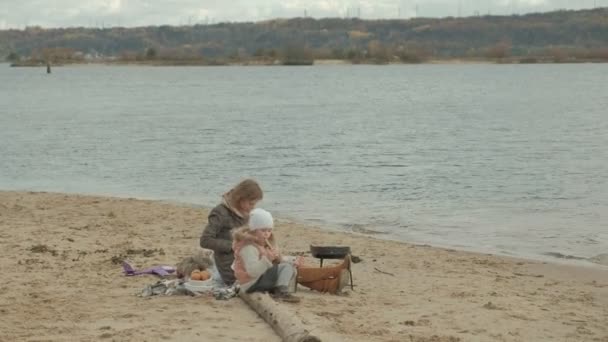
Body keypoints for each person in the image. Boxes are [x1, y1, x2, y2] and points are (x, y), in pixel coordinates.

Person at [233, 208, 351, 302]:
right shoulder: (248, 247)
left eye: (269, 230)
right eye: (263, 230)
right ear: (253, 230)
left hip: (261, 276)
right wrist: (269, 259)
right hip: (251, 282)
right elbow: (253, 271)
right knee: (291, 268)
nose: (267, 234)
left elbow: (274, 262)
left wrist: (287, 259)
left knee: (294, 266)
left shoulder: (263, 243)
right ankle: (333, 272)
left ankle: (330, 284)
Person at [200, 179, 263, 285]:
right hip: (228, 263)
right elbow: (205, 240)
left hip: (246, 257)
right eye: (251, 203)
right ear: (240, 199)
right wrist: (234, 245)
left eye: (254, 204)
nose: (253, 207)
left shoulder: (245, 213)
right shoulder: (220, 213)